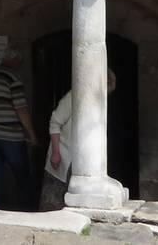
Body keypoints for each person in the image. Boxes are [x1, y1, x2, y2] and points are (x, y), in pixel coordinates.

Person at [39, 70, 117, 211]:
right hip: (63, 155)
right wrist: (56, 153)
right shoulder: (73, 97)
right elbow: (55, 123)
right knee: (53, 197)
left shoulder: (98, 102)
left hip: (80, 158)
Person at [0, 48, 36, 210]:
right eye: (19, 63)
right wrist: (31, 134)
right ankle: (25, 211)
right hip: (12, 137)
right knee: (22, 175)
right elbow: (21, 109)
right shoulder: (13, 78)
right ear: (15, 61)